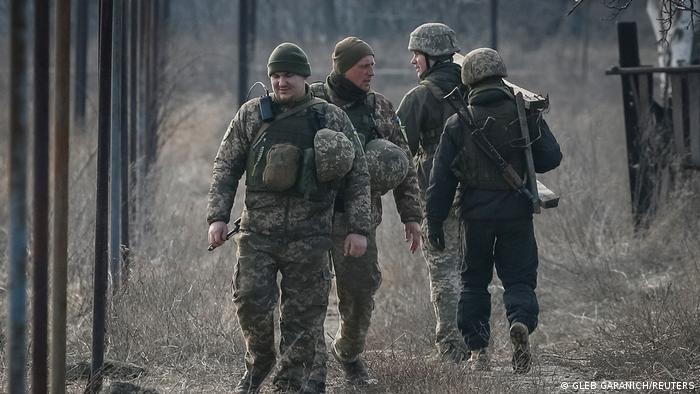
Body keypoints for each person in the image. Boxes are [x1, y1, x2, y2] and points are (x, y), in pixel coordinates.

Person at [207, 42, 372, 393]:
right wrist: (217, 217)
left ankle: (288, 385)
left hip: (310, 236)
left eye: (289, 75)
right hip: (257, 235)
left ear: (304, 77)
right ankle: (260, 359)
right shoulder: (252, 115)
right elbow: (226, 166)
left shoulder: (330, 117)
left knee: (303, 318)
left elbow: (358, 175)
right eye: (276, 76)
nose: (282, 82)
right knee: (250, 301)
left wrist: (358, 229)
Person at [425, 48, 562, 373]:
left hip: (475, 218)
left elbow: (440, 180)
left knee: (473, 283)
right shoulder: (524, 114)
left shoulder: (457, 122)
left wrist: (433, 222)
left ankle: (479, 352)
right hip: (517, 213)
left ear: (468, 80)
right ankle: (520, 324)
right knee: (519, 280)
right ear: (501, 76)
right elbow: (551, 158)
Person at [309, 36, 423, 386]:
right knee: (308, 295)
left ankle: (350, 354)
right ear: (343, 67)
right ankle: (312, 367)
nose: (371, 73)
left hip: (358, 220)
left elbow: (402, 162)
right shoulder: (311, 102)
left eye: (373, 66)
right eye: (364, 67)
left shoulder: (380, 108)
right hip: (311, 217)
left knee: (360, 294)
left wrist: (412, 216)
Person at [396, 23, 470, 362]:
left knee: (444, 275)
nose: (413, 61)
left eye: (417, 54)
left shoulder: (420, 96)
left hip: (437, 198)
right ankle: (478, 347)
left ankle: (451, 349)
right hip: (483, 196)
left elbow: (398, 149)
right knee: (474, 271)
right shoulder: (476, 87)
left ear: (432, 56)